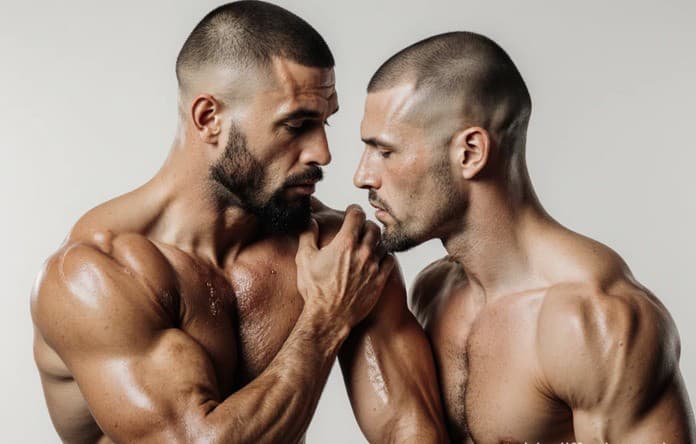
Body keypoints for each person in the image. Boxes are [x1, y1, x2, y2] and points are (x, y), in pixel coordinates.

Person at [30, 2, 447, 443]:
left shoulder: (339, 254)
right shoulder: (96, 275)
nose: (322, 153)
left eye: (324, 123)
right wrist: (325, 319)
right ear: (209, 119)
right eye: (297, 125)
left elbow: (407, 427)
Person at [355, 31, 696, 443]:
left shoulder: (595, 320)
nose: (362, 176)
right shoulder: (434, 292)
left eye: (385, 152)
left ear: (470, 153)